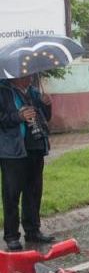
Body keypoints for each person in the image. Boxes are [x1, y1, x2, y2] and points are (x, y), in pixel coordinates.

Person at [0, 75, 57, 252]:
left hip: (35, 147)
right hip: (13, 151)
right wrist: (18, 116)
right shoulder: (3, 91)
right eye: (25, 74)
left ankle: (33, 231)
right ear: (14, 75)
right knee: (11, 194)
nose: (30, 77)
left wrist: (47, 104)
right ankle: (11, 236)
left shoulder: (33, 92)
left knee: (33, 192)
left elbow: (45, 117)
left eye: (30, 73)